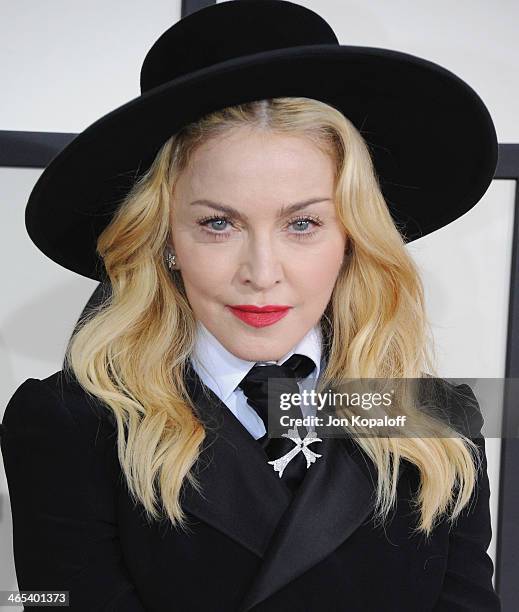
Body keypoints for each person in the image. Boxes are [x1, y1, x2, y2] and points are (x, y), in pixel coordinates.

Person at [0, 1, 501, 610]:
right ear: (165, 239)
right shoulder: (68, 424)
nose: (262, 275)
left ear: (352, 238)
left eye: (303, 224)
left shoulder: (436, 419)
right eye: (218, 224)